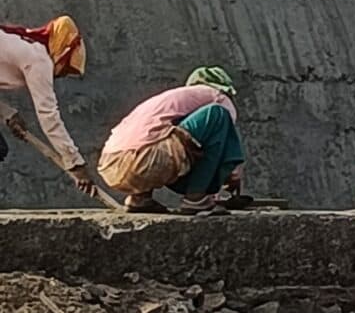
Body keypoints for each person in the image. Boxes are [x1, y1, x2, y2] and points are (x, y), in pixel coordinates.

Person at [96, 66, 246, 215]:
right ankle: (196, 199)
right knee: (218, 114)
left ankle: (140, 198)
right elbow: (224, 137)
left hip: (110, 164)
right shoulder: (218, 96)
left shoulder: (169, 100)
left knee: (154, 132)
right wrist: (231, 172)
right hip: (146, 159)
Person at [0, 15, 99, 200]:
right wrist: (75, 164)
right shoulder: (39, 59)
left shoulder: (22, 43)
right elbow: (49, 116)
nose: (61, 75)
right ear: (62, 51)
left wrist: (8, 114)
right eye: (66, 68)